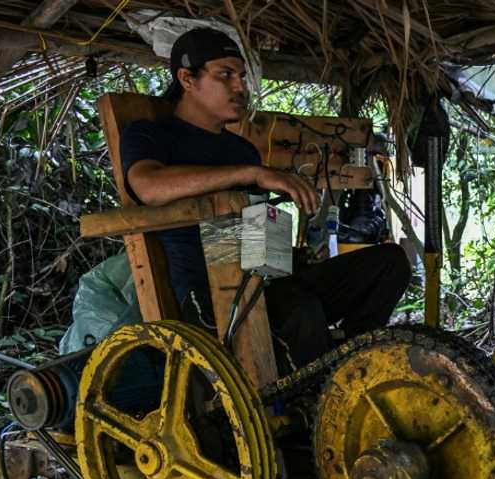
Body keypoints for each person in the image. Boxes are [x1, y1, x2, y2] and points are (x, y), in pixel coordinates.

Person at [120, 28, 410, 368]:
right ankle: (322, 390)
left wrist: (292, 256)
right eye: (225, 75)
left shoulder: (240, 149)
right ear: (187, 79)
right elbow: (148, 186)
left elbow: (255, 237)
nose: (240, 87)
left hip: (260, 282)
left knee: (391, 262)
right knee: (299, 310)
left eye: (241, 76)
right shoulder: (151, 135)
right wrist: (252, 174)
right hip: (208, 296)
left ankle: (352, 364)